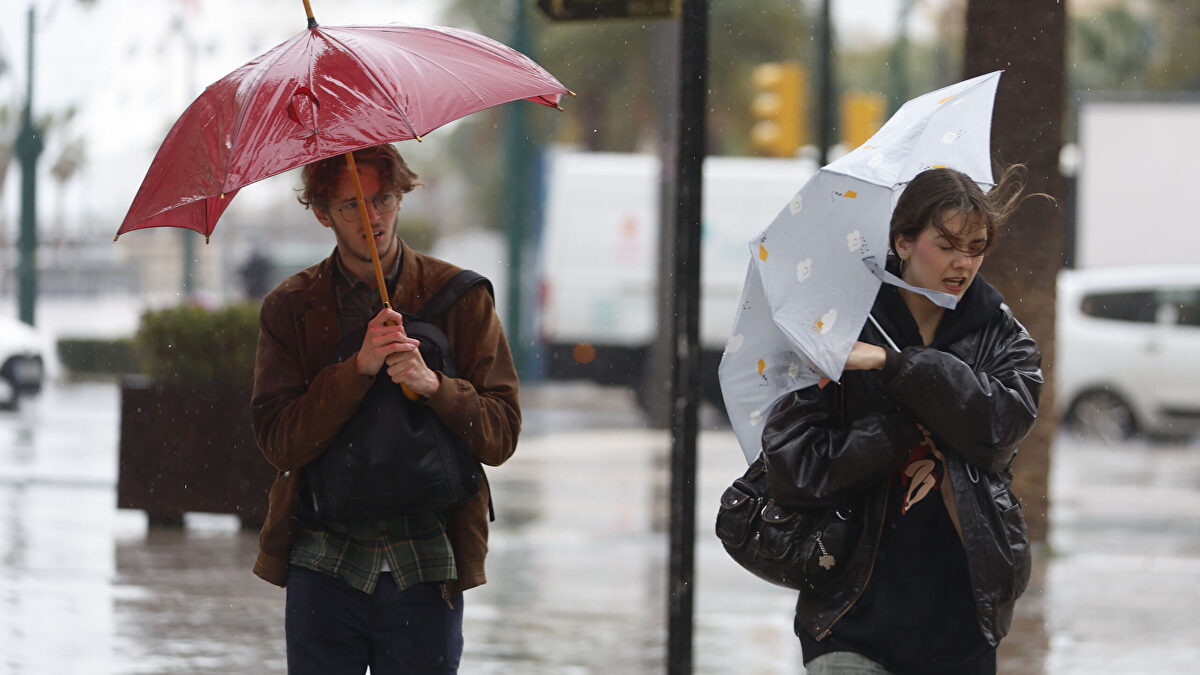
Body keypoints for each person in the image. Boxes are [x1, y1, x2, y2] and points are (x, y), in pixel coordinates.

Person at [760, 166, 1044, 674]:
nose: (963, 262)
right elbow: (796, 469)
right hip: (851, 616)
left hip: (962, 623)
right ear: (904, 242)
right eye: (948, 243)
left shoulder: (1003, 338)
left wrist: (894, 366)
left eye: (976, 247)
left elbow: (998, 430)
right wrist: (903, 428)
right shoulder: (835, 330)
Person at [249, 144, 521, 674]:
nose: (372, 217)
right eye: (351, 205)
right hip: (323, 558)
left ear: (402, 197)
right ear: (322, 212)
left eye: (384, 199)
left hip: (425, 560)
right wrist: (356, 370)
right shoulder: (292, 307)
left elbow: (502, 434)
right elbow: (279, 441)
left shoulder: (460, 297)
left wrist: (433, 383)